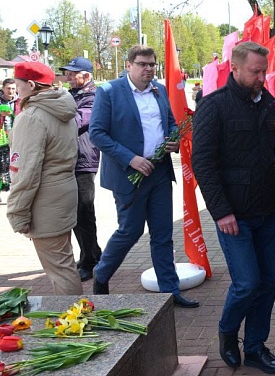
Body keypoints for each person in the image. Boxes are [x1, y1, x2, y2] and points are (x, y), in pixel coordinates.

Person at [193, 41, 275, 374]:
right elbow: (202, 163)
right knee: (247, 283)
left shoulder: (267, 105)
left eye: (264, 71)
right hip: (234, 215)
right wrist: (220, 212)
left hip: (266, 210)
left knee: (267, 284)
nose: (262, 77)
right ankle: (227, 332)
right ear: (234, 68)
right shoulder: (213, 106)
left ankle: (256, 348)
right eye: (255, 71)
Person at [89, 45, 199, 308]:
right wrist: (131, 158)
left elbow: (170, 123)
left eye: (152, 64)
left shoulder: (158, 90)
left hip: (159, 171)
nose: (149, 69)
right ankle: (101, 274)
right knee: (131, 230)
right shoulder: (109, 92)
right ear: (128, 65)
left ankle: (170, 291)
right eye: (142, 64)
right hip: (129, 175)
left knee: (163, 234)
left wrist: (172, 139)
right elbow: (97, 133)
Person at [7, 62, 82, 295]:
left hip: (45, 201)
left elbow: (25, 172)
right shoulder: (62, 109)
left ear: (30, 85)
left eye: (18, 85)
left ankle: (74, 321)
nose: (16, 91)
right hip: (64, 194)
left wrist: (16, 212)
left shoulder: (32, 117)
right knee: (64, 263)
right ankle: (75, 316)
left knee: (60, 270)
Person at [60, 57, 102, 282]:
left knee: (84, 212)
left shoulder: (93, 97)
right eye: (67, 73)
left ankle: (89, 261)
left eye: (72, 73)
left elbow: (75, 123)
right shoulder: (70, 95)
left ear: (86, 76)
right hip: (71, 159)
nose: (67, 77)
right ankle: (93, 254)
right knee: (78, 213)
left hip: (84, 160)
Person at [0, 79, 19, 195]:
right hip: (1, 138)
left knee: (11, 164)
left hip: (16, 137)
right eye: (8, 88)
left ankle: (10, 187)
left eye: (13, 88)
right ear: (3, 89)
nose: (11, 91)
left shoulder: (20, 102)